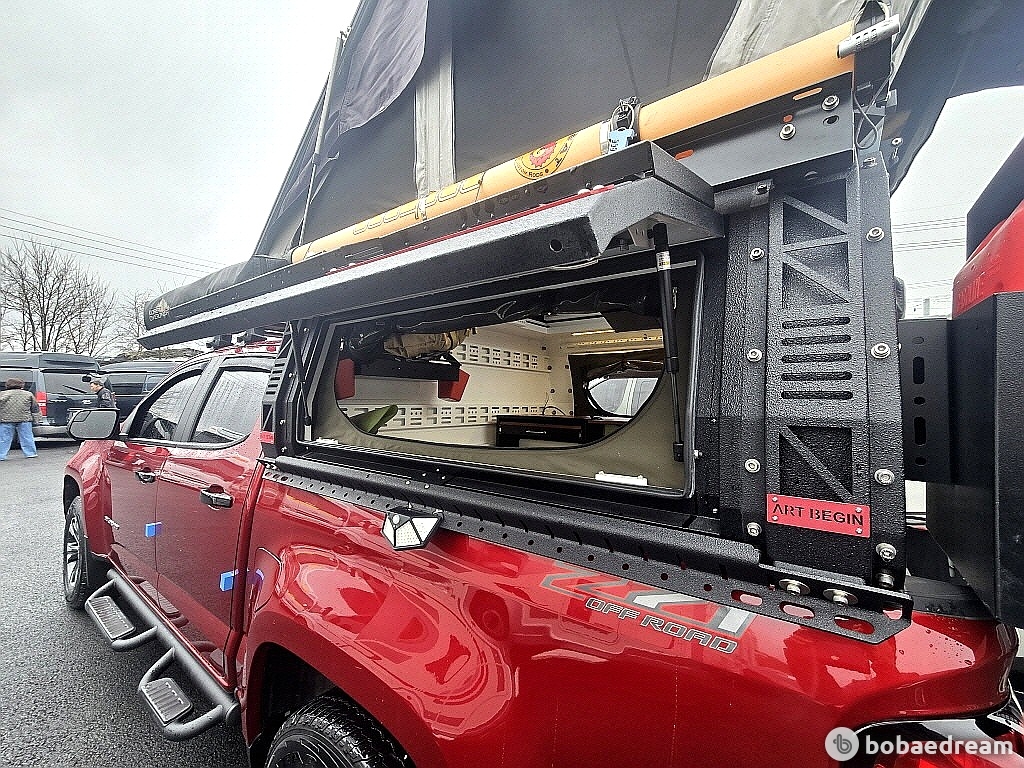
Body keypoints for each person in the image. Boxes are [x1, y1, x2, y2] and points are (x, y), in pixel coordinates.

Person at [0, 377, 39, 460]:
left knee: (4, 438)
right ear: (22, 385)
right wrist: (36, 419)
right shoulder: (28, 394)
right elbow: (35, 407)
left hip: (6, 419)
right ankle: (30, 453)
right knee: (27, 437)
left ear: (7, 385)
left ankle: (1, 455)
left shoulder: (2, 394)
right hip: (25, 419)